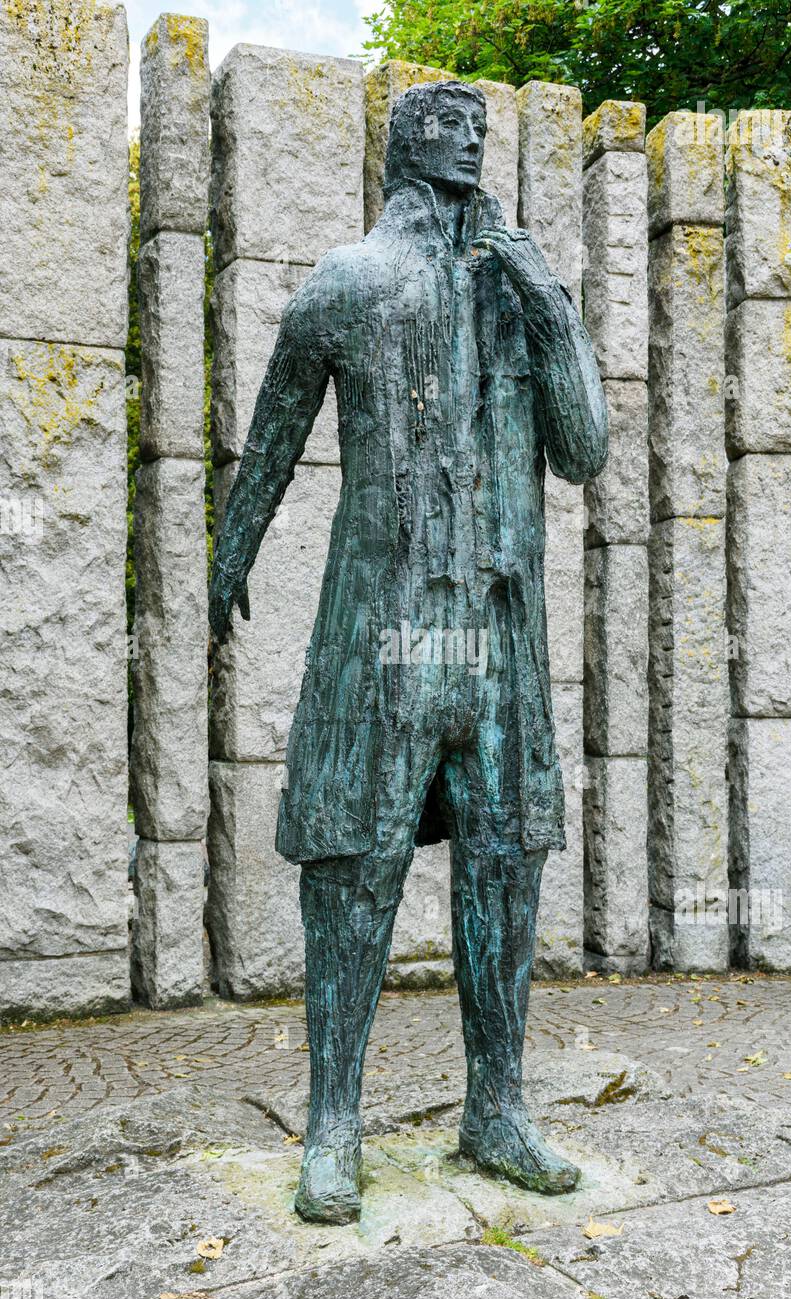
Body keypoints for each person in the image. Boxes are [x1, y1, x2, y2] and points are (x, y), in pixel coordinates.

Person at [209, 80, 608, 1224]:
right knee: (352, 862)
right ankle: (333, 1124)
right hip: (380, 633)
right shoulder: (344, 285)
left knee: (505, 859)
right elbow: (273, 437)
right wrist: (226, 560)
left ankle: (497, 1108)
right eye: (451, 140)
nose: (469, 157)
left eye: (477, 140)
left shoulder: (517, 293)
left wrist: (550, 301)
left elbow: (583, 450)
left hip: (494, 635)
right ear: (406, 156)